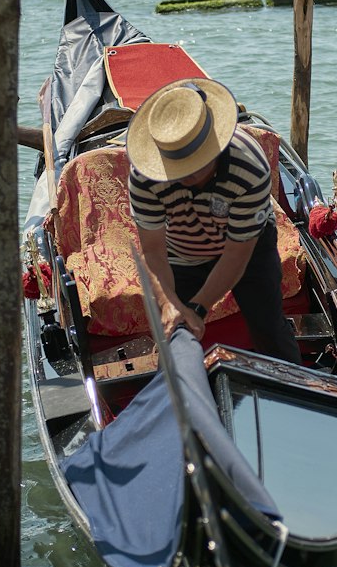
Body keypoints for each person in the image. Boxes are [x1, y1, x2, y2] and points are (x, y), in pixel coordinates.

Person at [126, 77, 301, 363]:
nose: (185, 175)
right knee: (173, 331)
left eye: (195, 164)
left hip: (248, 247)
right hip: (181, 251)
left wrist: (198, 308)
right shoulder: (146, 175)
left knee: (269, 328)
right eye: (176, 166)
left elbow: (236, 255)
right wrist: (171, 304)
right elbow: (153, 251)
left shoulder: (249, 168)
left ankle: (294, 392)